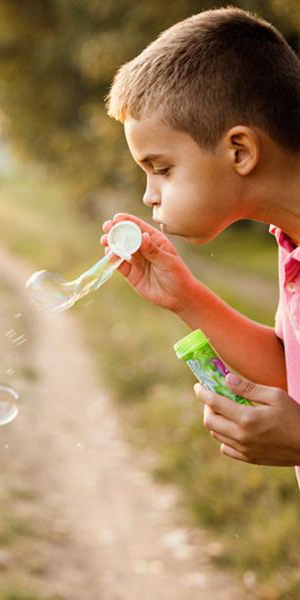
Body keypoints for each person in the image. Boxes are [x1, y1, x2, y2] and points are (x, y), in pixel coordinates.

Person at [101, 7, 300, 473]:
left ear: (240, 151)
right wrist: (184, 297)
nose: (149, 194)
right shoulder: (291, 242)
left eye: (161, 169)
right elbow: (290, 369)